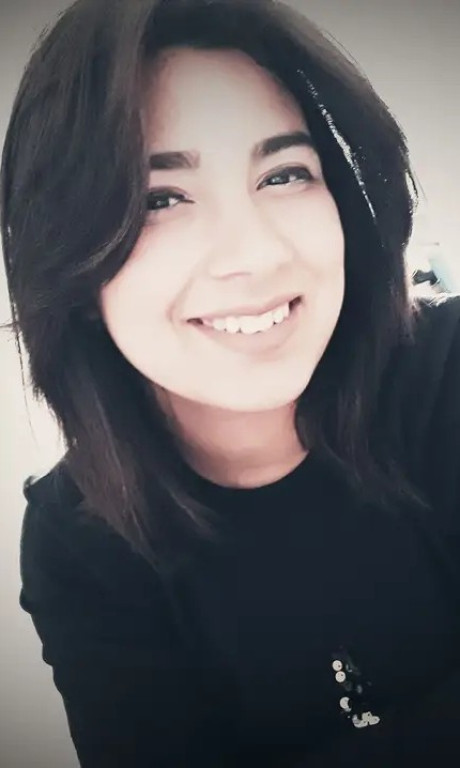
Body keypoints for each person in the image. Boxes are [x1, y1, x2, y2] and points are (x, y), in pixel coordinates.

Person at [1, 0, 460, 765]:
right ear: (71, 265)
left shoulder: (446, 372)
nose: (254, 254)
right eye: (161, 198)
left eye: (284, 174)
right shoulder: (80, 544)